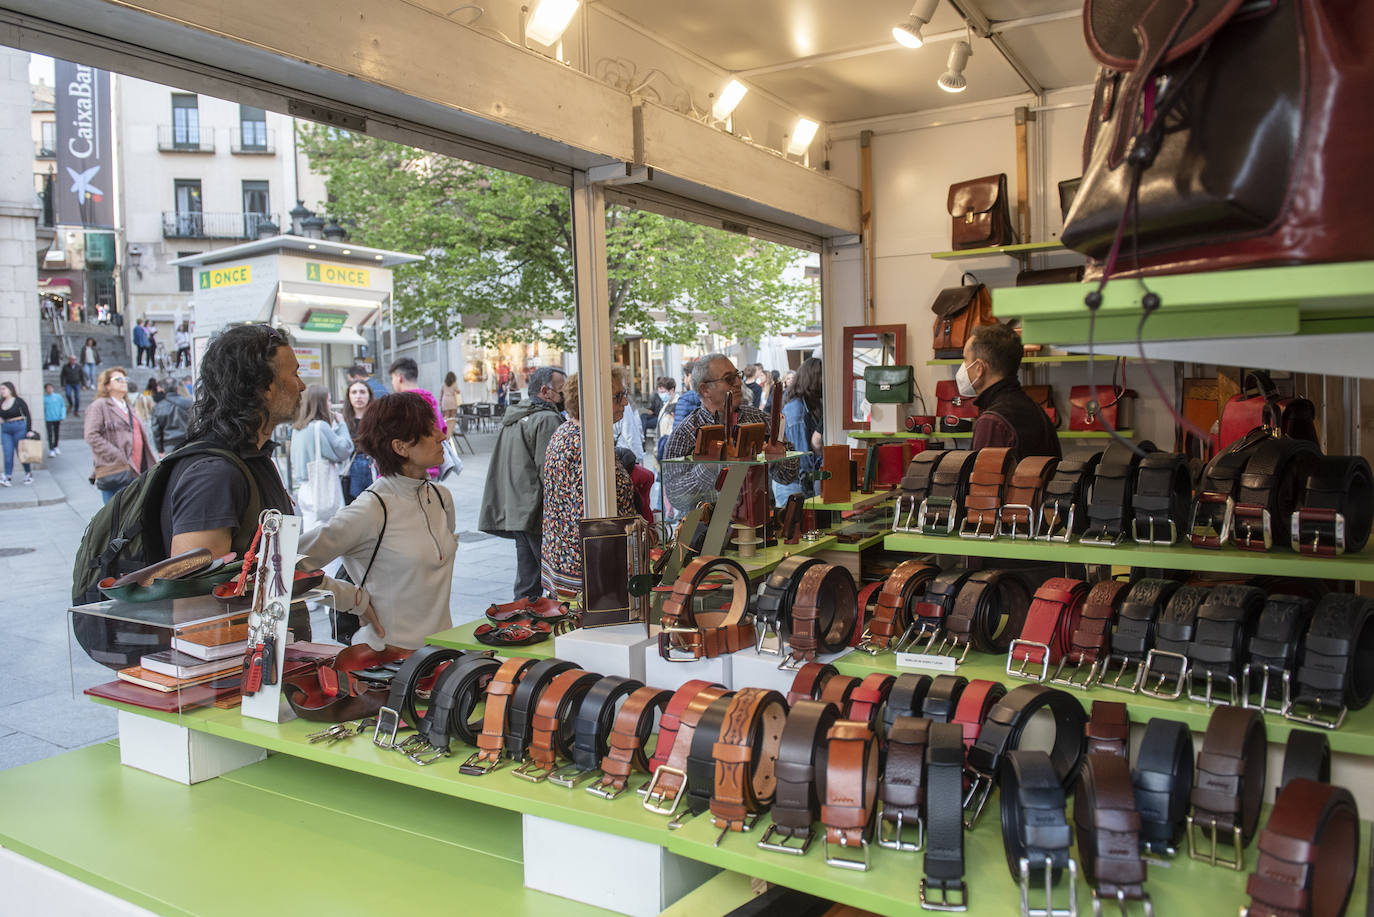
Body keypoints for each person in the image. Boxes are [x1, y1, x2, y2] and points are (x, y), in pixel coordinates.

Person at [296, 393, 455, 649]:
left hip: (443, 656)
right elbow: (280, 565)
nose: (442, 436)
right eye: (429, 431)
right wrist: (352, 599)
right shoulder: (371, 509)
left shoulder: (441, 498)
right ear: (400, 447)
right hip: (388, 661)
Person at [158, 324, 303, 564]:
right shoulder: (213, 476)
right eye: (295, 374)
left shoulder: (252, 459)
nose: (302, 385)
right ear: (264, 387)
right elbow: (192, 596)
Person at [539, 370, 636, 598]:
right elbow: (592, 520)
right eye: (617, 396)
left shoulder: (566, 430)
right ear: (592, 401)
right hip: (586, 578)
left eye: (624, 394)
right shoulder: (587, 445)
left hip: (565, 566)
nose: (625, 402)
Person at [662, 353, 799, 511]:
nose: (738, 383)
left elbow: (790, 475)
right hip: (709, 530)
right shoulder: (685, 434)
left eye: (737, 375)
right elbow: (676, 497)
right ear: (705, 389)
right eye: (729, 379)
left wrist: (778, 459)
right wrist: (709, 466)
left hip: (761, 525)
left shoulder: (758, 418)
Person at [478, 365, 566, 602]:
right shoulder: (546, 419)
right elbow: (549, 471)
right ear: (546, 391)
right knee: (553, 578)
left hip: (517, 510)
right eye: (562, 389)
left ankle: (524, 623)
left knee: (527, 581)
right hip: (536, 512)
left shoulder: (516, 417)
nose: (566, 395)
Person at [963, 323, 1061, 460]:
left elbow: (985, 481)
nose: (964, 367)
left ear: (979, 368)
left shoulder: (993, 422)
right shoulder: (1035, 409)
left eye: (965, 359)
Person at [84, 368, 156, 503]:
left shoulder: (128, 406)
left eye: (125, 379)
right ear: (107, 385)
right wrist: (117, 454)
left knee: (133, 516)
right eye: (118, 379)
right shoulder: (99, 406)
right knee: (116, 517)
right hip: (115, 468)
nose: (123, 382)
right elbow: (91, 435)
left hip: (135, 468)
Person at [289, 384, 353, 531]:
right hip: (323, 487)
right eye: (328, 400)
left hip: (305, 489)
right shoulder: (320, 427)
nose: (330, 404)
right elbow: (344, 449)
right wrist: (342, 425)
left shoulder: (297, 428)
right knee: (331, 533)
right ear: (320, 403)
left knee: (311, 532)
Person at [772, 357, 824, 506]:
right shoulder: (797, 410)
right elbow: (802, 457)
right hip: (794, 485)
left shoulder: (806, 406)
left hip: (799, 482)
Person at [341, 379, 378, 504]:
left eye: (362, 392)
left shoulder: (377, 419)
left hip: (374, 466)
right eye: (354, 392)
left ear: (369, 395)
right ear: (349, 396)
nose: (358, 396)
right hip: (351, 470)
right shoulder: (342, 422)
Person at [388, 358, 444, 434]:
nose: (392, 382)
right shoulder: (430, 398)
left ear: (399, 377)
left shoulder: (400, 403)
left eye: (392, 378)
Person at [0, 381, 38, 486]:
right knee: (7, 452)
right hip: (5, 429)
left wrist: (29, 430)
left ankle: (28, 473)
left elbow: (28, 415)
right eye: (0, 389)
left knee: (21, 452)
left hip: (19, 427)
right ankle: (8, 477)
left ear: (10, 389)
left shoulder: (18, 401)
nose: (1, 391)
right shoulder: (1, 402)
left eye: (3, 389)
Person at [616, 446, 655, 525]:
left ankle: (649, 528)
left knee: (642, 504)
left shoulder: (627, 477)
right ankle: (649, 528)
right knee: (643, 503)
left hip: (642, 478)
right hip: (641, 474)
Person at [153, 380, 193, 453]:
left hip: (169, 444)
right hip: (187, 441)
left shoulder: (158, 407)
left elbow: (156, 430)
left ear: (164, 390)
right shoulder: (189, 402)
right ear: (177, 389)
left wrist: (160, 449)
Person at [613, 390, 644, 463]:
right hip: (625, 457)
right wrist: (639, 459)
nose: (625, 402)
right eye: (621, 394)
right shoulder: (624, 408)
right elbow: (631, 436)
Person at [672, 360, 701, 427]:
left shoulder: (684, 400)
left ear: (689, 377)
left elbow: (677, 430)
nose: (683, 380)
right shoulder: (708, 397)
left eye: (684, 376)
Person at [43, 383, 66, 456]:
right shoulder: (44, 398)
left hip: (57, 418)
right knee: (50, 434)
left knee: (56, 433)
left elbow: (62, 406)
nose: (49, 389)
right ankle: (51, 449)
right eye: (48, 388)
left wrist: (62, 416)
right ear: (45, 390)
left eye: (50, 388)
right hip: (48, 418)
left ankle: (56, 446)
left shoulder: (58, 397)